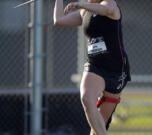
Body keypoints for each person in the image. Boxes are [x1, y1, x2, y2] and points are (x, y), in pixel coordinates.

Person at [53, 0, 131, 134]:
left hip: (116, 70)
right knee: (87, 98)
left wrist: (81, 4)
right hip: (95, 66)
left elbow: (108, 11)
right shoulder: (85, 12)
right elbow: (58, 20)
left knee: (97, 128)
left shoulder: (109, 4)